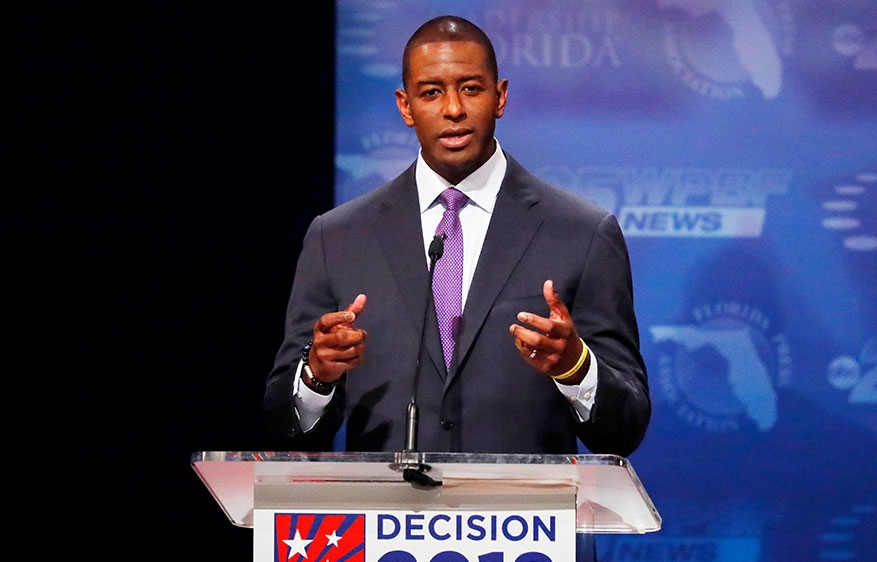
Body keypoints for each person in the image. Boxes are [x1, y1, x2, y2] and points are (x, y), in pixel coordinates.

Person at [263, 13, 648, 473]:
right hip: (386, 532)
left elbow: (626, 427)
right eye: (431, 92)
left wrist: (575, 367)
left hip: (529, 530)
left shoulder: (581, 233)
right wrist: (317, 377)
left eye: (470, 88)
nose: (453, 110)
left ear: (500, 96)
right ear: (405, 107)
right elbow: (283, 427)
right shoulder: (338, 237)